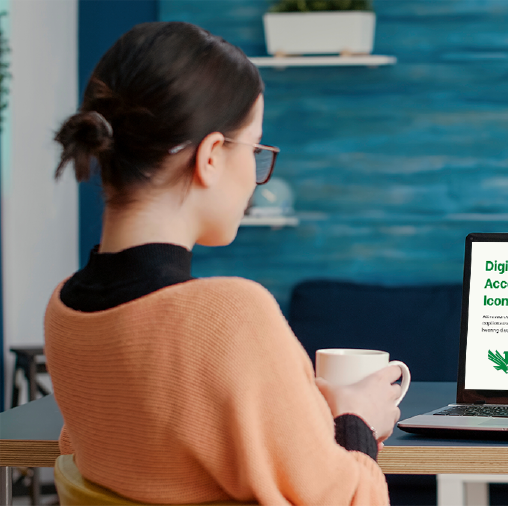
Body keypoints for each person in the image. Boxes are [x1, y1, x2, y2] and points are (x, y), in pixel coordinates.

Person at [44, 21, 401, 505]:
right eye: (254, 150)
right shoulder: (229, 316)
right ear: (211, 156)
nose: (256, 176)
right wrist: (357, 421)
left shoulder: (65, 311)